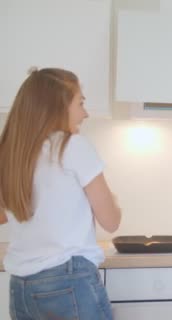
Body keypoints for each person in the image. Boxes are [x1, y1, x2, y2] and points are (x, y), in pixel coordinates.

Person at [0, 67, 122, 320]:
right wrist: (113, 201)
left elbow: (3, 216)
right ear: (59, 106)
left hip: (21, 286)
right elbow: (111, 221)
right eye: (80, 103)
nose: (85, 113)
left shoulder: (12, 152)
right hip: (69, 281)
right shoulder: (72, 145)